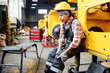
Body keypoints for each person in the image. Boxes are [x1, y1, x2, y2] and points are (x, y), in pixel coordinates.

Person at [44, 2, 85, 73]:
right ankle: (47, 71)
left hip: (78, 45)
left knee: (58, 58)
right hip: (68, 43)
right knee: (52, 53)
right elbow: (61, 38)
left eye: (62, 15)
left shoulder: (76, 23)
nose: (60, 18)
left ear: (68, 14)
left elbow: (76, 42)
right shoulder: (63, 24)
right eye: (59, 16)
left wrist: (65, 52)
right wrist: (59, 49)